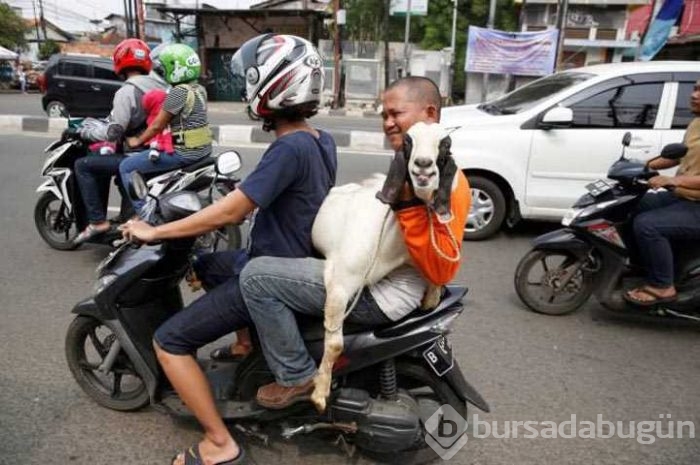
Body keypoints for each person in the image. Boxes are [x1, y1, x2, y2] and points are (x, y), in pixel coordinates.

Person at [120, 34, 334, 465]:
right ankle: (246, 347)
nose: (244, 90)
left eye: (249, 80)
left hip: (270, 271)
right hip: (288, 257)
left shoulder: (288, 147)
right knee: (206, 264)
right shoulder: (317, 139)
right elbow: (277, 194)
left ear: (272, 84)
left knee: (169, 341)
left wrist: (155, 233)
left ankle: (219, 443)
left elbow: (230, 215)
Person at [237, 76, 471, 409]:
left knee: (256, 277)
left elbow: (441, 266)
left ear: (429, 113)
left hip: (381, 295)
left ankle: (296, 376)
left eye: (396, 113)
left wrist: (405, 208)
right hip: (382, 282)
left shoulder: (444, 181)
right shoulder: (411, 164)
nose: (388, 123)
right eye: (384, 115)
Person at [73, 38, 168, 244]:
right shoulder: (162, 85)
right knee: (117, 171)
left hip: (140, 152)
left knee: (83, 165)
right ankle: (128, 215)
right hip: (161, 150)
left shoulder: (127, 91)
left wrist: (86, 133)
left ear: (119, 63)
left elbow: (114, 131)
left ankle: (98, 222)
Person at [624, 80, 700, 306]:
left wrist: (672, 179)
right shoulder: (697, 122)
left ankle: (662, 286)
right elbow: (679, 155)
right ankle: (643, 264)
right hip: (683, 195)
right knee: (632, 205)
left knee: (648, 225)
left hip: (695, 203)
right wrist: (644, 166)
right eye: (696, 88)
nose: (695, 95)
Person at [121, 43, 209, 217]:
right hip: (203, 150)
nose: (162, 72)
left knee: (126, 166)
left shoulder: (178, 93)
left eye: (164, 68)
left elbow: (157, 125)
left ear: (176, 69)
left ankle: (146, 215)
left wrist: (137, 141)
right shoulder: (200, 89)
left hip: (183, 154)